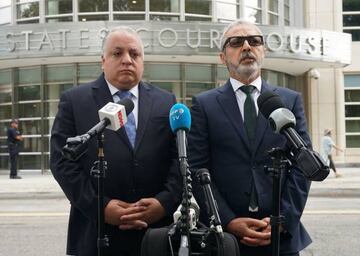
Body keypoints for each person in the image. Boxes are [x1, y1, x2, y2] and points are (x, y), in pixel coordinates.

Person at [50, 27, 182, 256]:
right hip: (96, 232)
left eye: (134, 54)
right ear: (103, 61)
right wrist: (101, 207)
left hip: (156, 233)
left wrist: (164, 204)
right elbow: (62, 162)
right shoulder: (75, 101)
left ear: (143, 61)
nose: (127, 60)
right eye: (117, 53)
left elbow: (179, 160)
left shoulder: (166, 101)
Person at [188, 20, 312, 256]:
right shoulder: (204, 104)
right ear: (222, 57)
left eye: (254, 41)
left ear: (263, 51)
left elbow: (303, 164)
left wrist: (283, 219)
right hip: (226, 238)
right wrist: (227, 220)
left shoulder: (289, 100)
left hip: (280, 237)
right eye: (236, 42)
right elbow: (197, 169)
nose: (246, 46)